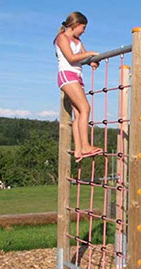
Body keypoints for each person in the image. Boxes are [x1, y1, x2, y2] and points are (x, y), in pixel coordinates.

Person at [54, 11, 102, 163]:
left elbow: (84, 57)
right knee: (85, 108)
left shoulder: (78, 41)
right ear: (74, 25)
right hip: (67, 75)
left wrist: (93, 60)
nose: (84, 30)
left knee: (79, 113)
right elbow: (71, 58)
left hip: (77, 76)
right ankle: (86, 146)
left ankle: (79, 149)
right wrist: (91, 53)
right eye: (83, 27)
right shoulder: (62, 38)